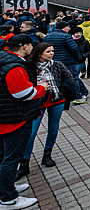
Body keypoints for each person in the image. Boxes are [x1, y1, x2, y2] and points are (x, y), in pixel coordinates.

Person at [0, 34, 48, 209]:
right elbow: (23, 93)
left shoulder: (3, 58)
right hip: (14, 119)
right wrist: (42, 89)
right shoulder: (14, 67)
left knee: (4, 156)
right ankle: (8, 198)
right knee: (11, 158)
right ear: (25, 47)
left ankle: (6, 187)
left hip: (6, 116)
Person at [20, 42, 75, 179]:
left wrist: (62, 92)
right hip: (37, 102)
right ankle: (24, 162)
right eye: (48, 51)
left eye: (52, 51)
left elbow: (70, 77)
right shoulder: (30, 66)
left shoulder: (57, 65)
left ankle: (47, 154)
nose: (52, 54)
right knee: (31, 132)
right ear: (39, 54)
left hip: (56, 100)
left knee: (53, 128)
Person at [69, 27, 90, 104]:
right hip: (72, 61)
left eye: (80, 33)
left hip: (80, 62)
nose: (79, 35)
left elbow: (89, 51)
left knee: (74, 77)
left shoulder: (85, 41)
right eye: (77, 33)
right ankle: (83, 91)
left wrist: (82, 56)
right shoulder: (70, 41)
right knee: (74, 77)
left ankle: (82, 92)